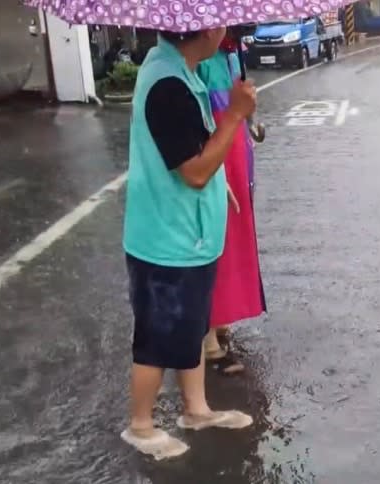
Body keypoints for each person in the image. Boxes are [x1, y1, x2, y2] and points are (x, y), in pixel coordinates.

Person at [121, 26, 258, 460]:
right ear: (206, 28)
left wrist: (222, 187)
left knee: (194, 326)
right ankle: (141, 426)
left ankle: (196, 409)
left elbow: (198, 157)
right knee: (158, 337)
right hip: (168, 237)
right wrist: (235, 115)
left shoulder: (183, 71)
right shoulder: (168, 85)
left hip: (191, 234)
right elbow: (194, 171)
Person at [197, 35, 266, 375]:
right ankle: (207, 338)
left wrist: (252, 120)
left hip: (238, 156)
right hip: (218, 156)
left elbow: (239, 108)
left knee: (235, 236)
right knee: (216, 238)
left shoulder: (231, 55)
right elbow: (204, 118)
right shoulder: (200, 59)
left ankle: (222, 318)